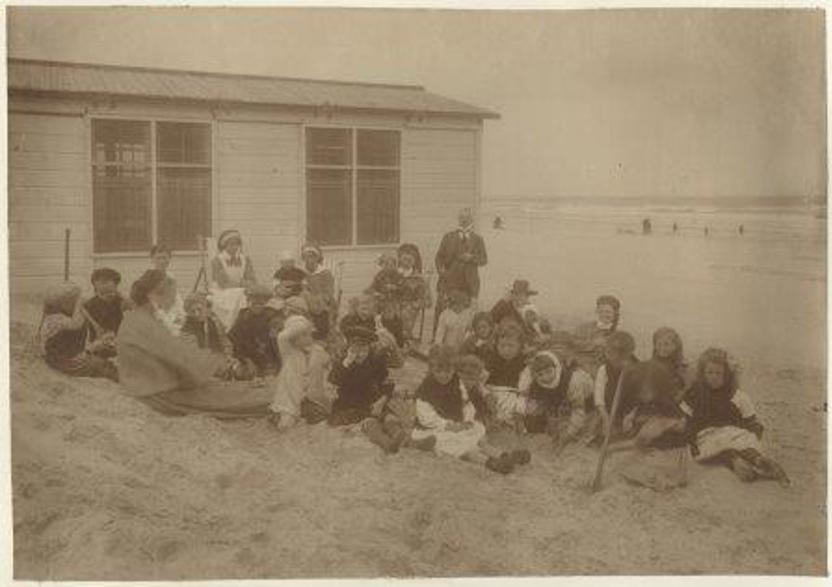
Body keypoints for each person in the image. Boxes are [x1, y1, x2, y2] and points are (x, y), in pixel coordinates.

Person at [117, 270, 272, 417]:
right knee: (232, 400)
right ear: (151, 295)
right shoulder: (144, 322)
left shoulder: (142, 317)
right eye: (166, 294)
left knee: (225, 389)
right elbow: (176, 361)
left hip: (155, 381)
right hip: (156, 389)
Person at [412, 345, 528, 475]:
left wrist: (466, 420)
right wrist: (448, 425)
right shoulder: (427, 387)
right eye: (439, 371)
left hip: (457, 423)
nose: (444, 375)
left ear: (454, 369)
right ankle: (489, 463)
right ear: (431, 369)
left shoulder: (456, 382)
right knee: (465, 448)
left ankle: (504, 456)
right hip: (434, 428)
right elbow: (425, 415)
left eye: (448, 371)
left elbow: (465, 404)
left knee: (478, 439)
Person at [682, 348, 789, 486]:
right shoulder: (695, 395)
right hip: (708, 435)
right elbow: (687, 420)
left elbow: (751, 421)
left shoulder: (737, 396)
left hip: (729, 434)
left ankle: (755, 460)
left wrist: (754, 433)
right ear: (702, 374)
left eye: (719, 373)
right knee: (725, 446)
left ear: (727, 375)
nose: (714, 376)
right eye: (710, 372)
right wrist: (691, 440)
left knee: (734, 443)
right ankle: (745, 461)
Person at [38, 282, 118, 381]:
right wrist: (78, 305)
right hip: (66, 361)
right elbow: (76, 324)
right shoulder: (54, 319)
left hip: (70, 354)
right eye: (75, 301)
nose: (79, 303)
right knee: (102, 365)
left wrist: (100, 338)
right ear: (65, 303)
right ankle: (127, 379)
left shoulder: (65, 314)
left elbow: (87, 322)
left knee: (107, 350)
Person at [269, 315, 333, 429]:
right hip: (290, 398)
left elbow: (329, 364)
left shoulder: (318, 350)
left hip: (311, 397)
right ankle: (279, 416)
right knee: (285, 425)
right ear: (293, 339)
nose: (307, 338)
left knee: (321, 419)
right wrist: (300, 325)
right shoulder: (289, 352)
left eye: (309, 335)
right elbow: (281, 337)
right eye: (301, 336)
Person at [434, 207, 487, 334]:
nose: (464, 220)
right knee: (443, 309)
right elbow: (438, 257)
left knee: (468, 313)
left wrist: (472, 258)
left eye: (467, 218)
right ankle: (437, 338)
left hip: (469, 283)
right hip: (450, 281)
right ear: (458, 219)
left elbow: (484, 259)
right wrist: (442, 271)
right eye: (462, 218)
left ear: (471, 220)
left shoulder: (477, 239)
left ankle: (463, 340)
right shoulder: (448, 237)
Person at [328, 326, 392, 427]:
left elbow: (387, 384)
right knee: (367, 424)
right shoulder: (343, 362)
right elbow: (333, 379)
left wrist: (381, 402)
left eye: (364, 350)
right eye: (355, 351)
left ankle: (398, 435)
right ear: (349, 348)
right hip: (348, 404)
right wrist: (347, 362)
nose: (360, 355)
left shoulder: (375, 362)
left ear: (369, 348)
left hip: (370, 401)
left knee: (390, 419)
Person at [227, 284, 283, 376]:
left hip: (268, 357)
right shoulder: (243, 316)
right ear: (247, 301)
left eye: (260, 303)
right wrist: (245, 360)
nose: (257, 306)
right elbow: (234, 338)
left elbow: (277, 343)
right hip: (247, 356)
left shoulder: (272, 316)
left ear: (266, 303)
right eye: (253, 303)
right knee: (240, 374)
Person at [592, 330, 639, 439]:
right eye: (610, 355)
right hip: (609, 408)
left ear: (628, 355)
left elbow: (642, 398)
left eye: (619, 359)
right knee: (600, 432)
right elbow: (598, 396)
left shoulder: (638, 369)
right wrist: (605, 418)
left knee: (632, 431)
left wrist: (631, 415)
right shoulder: (603, 369)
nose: (614, 361)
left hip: (631, 409)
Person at [208, 230, 257, 331]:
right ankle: (231, 326)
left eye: (237, 244)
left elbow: (252, 279)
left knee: (244, 295)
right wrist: (242, 284)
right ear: (224, 245)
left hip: (241, 289)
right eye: (231, 244)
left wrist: (245, 284)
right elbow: (223, 282)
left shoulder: (245, 259)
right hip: (221, 291)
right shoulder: (217, 260)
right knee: (240, 295)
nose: (234, 247)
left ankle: (244, 326)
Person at [83, 267, 130, 358]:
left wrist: (122, 296)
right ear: (95, 288)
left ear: (116, 287)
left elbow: (135, 309)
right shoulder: (89, 305)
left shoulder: (120, 302)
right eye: (102, 293)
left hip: (119, 341)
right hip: (97, 343)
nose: (106, 296)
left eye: (110, 292)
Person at [574, 294, 621, 376]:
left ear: (615, 314)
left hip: (605, 373)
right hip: (582, 369)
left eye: (608, 312)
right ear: (597, 311)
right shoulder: (584, 328)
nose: (604, 315)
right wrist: (594, 343)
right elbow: (573, 344)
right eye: (601, 311)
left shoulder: (618, 335)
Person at [397, 243, 431, 348]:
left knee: (405, 315)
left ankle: (405, 342)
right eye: (405, 255)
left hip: (409, 312)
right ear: (399, 258)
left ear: (415, 260)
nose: (407, 258)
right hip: (391, 308)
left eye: (411, 256)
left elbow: (428, 300)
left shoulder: (419, 279)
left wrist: (415, 304)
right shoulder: (391, 274)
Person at [301, 244, 337, 341]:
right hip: (307, 301)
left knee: (321, 315)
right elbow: (302, 288)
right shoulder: (301, 273)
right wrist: (309, 299)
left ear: (317, 258)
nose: (309, 260)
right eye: (306, 257)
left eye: (312, 257)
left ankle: (321, 338)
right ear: (303, 259)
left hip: (322, 301)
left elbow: (329, 291)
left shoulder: (325, 273)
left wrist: (318, 301)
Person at [490, 279, 545, 343]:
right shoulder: (504, 307)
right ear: (512, 295)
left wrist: (538, 335)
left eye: (524, 295)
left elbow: (533, 328)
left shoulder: (529, 310)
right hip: (505, 342)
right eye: (517, 294)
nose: (520, 298)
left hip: (523, 342)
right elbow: (491, 317)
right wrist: (503, 301)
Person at [150, 244, 186, 335]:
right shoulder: (148, 278)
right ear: (152, 259)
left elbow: (177, 301)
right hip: (156, 316)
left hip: (172, 315)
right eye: (158, 258)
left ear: (169, 259)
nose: (162, 261)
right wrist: (166, 320)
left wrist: (180, 316)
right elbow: (152, 304)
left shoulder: (171, 277)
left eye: (165, 258)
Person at [484, 324, 527, 388]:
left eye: (511, 346)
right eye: (502, 346)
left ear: (520, 347)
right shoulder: (492, 361)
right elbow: (483, 379)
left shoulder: (523, 363)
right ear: (496, 346)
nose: (506, 350)